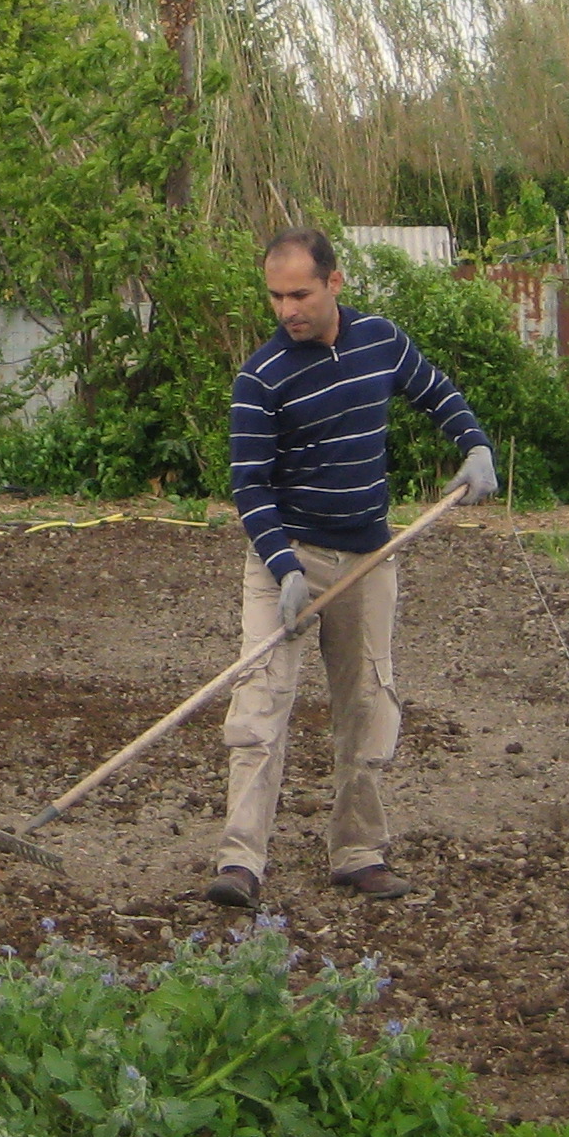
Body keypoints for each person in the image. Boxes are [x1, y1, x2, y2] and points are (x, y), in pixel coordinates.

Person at [210, 228, 498, 910]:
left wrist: (475, 445)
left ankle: (358, 852)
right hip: (287, 556)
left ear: (334, 283)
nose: (287, 310)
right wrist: (284, 569)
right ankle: (240, 862)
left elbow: (436, 391)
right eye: (276, 297)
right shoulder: (261, 378)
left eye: (300, 295)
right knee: (258, 707)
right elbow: (250, 485)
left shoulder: (380, 341)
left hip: (367, 558)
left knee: (368, 704)